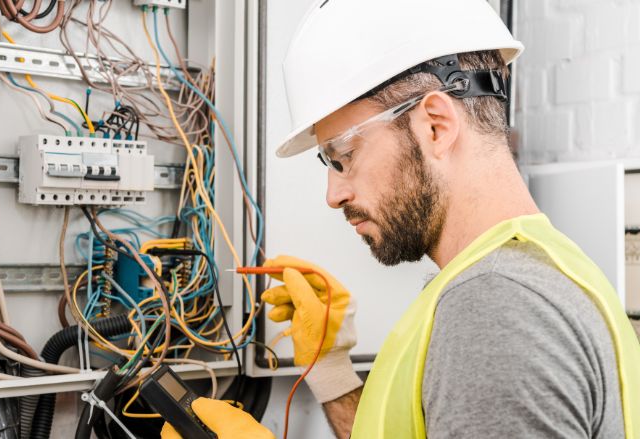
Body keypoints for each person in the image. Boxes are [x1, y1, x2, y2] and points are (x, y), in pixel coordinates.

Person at [161, 0, 640, 437]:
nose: (334, 194)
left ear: (435, 125)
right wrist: (329, 371)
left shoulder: (497, 308)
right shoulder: (531, 268)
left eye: (344, 156)